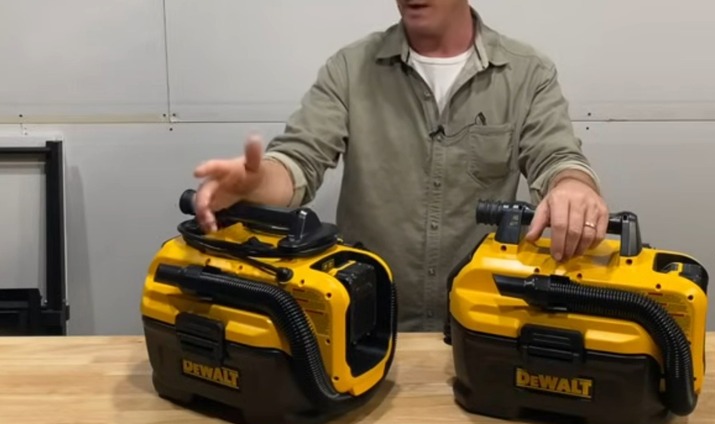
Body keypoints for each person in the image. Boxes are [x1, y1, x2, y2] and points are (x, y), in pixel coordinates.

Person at [192, 0, 609, 332]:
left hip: (479, 326)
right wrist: (255, 183)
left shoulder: (528, 73)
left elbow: (556, 157)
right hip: (365, 327)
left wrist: (573, 186)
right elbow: (299, 160)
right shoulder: (349, 69)